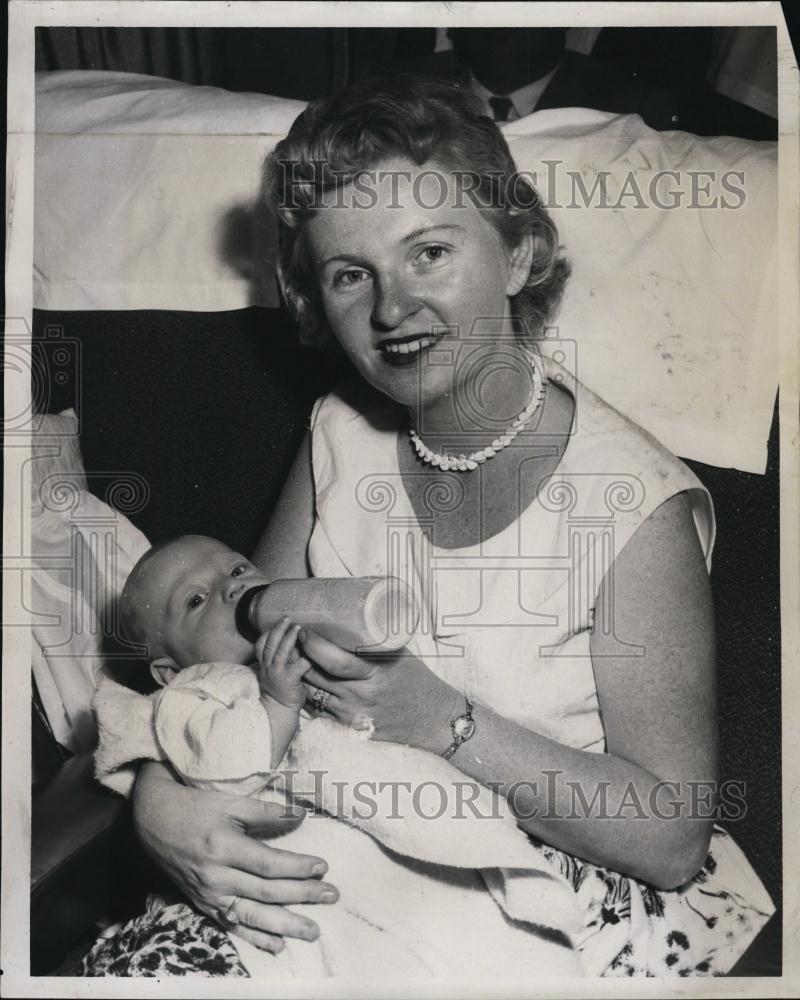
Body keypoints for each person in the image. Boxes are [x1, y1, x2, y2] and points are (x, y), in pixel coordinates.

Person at [122, 75, 773, 977]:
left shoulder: (633, 508)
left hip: (547, 892)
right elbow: (232, 648)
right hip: (334, 841)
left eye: (429, 253)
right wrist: (156, 795)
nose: (393, 311)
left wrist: (441, 722)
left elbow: (667, 837)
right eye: (352, 275)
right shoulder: (338, 428)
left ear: (517, 255)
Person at [86, 534, 583, 977]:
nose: (230, 590)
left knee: (500, 941)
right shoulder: (196, 695)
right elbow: (223, 770)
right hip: (317, 864)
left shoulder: (305, 642)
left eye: (237, 569)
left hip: (403, 838)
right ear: (169, 671)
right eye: (195, 601)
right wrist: (279, 703)